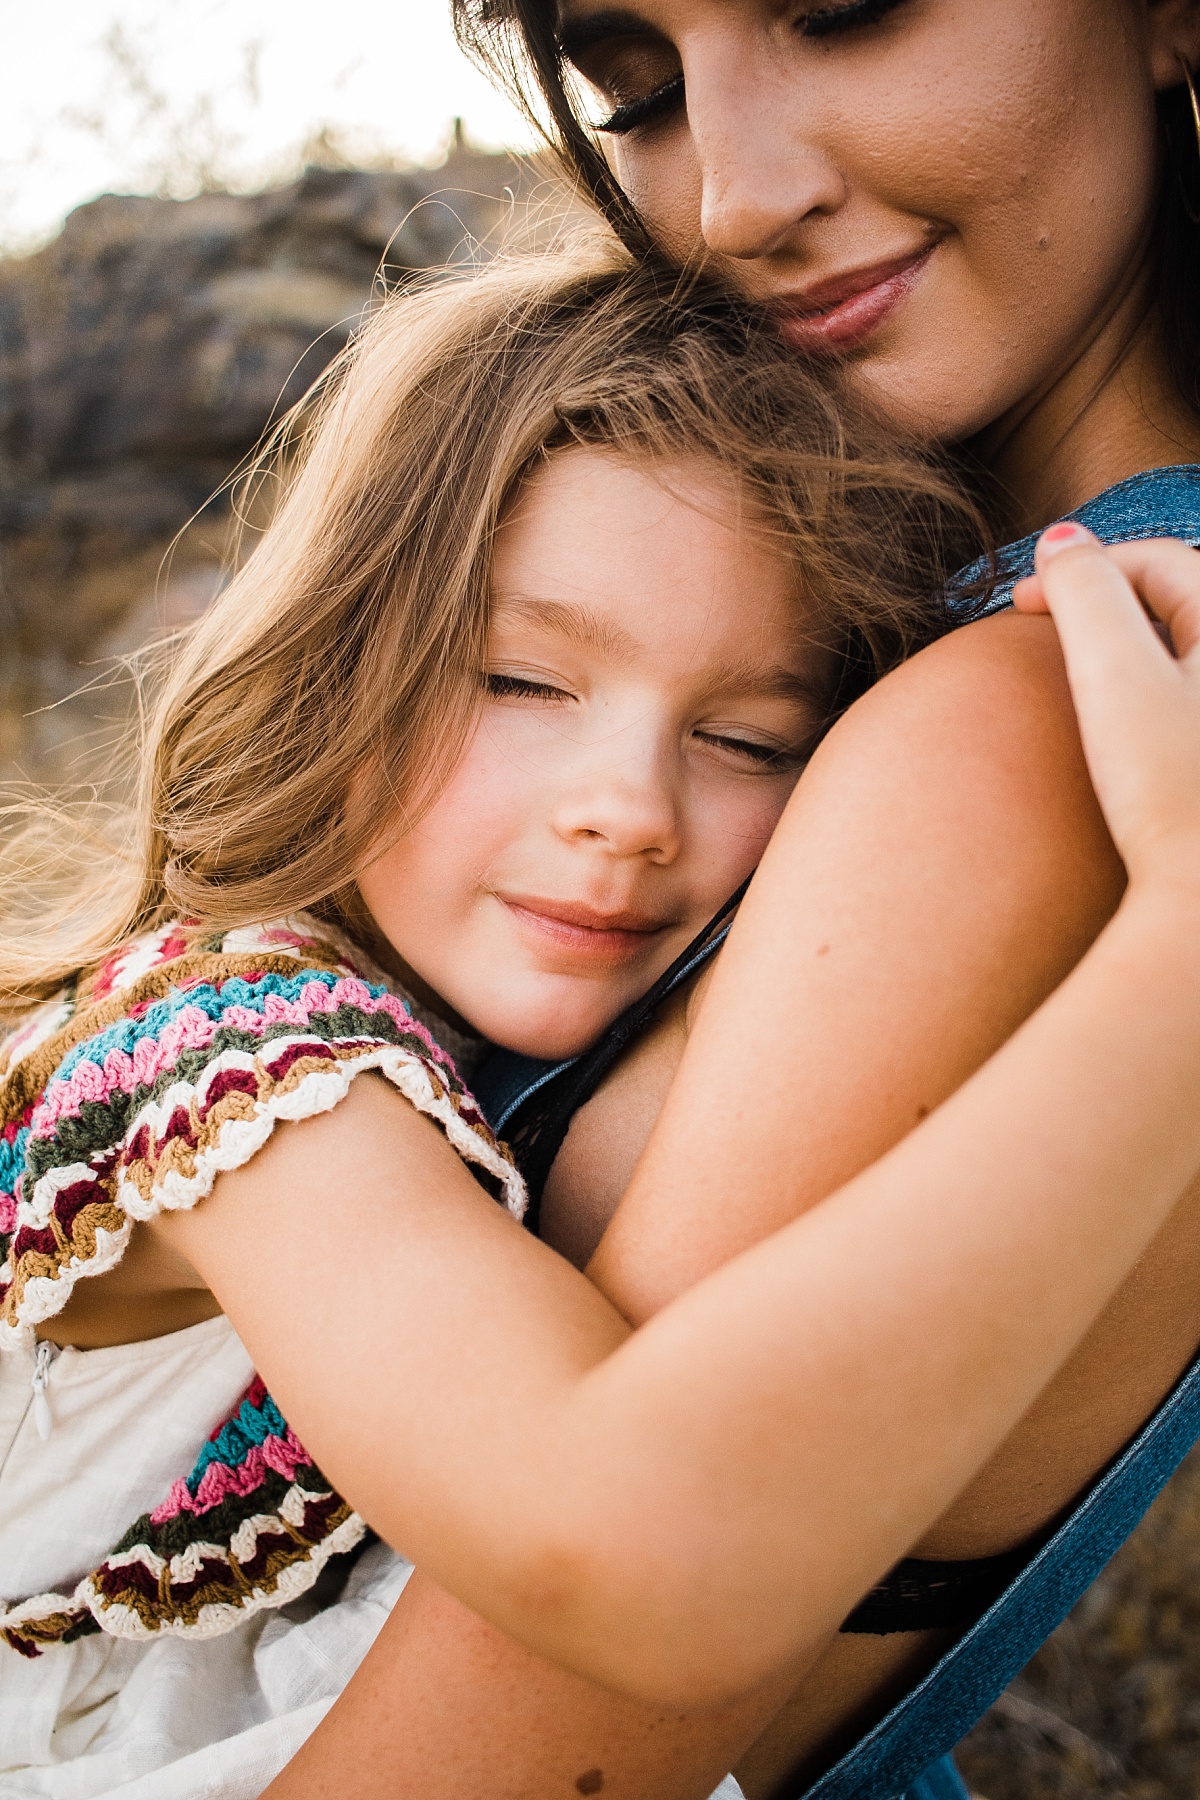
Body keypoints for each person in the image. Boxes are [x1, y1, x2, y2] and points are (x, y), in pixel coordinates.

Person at [337, 1, 1200, 1794]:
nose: (726, 194)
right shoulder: (889, 628)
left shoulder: (1047, 724)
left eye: (844, 7)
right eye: (633, 88)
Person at [0, 248, 984, 1796]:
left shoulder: (480, 1049)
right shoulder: (225, 1053)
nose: (630, 811)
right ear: (343, 658)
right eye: (527, 681)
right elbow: (610, 1533)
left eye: (747, 737)